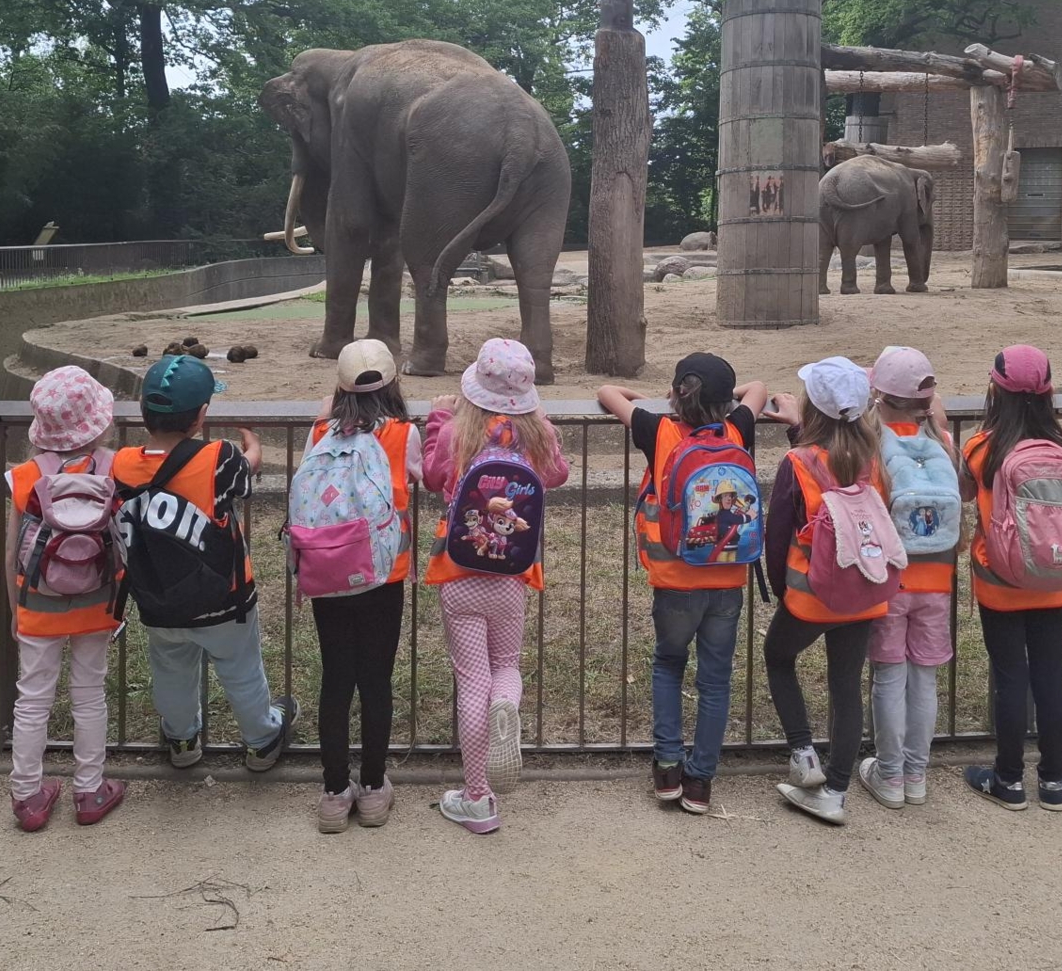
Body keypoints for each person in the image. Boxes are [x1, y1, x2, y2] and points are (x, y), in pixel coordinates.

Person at [597, 354, 768, 816]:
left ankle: (668, 768)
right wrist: (729, 400)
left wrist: (652, 402)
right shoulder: (737, 430)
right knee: (715, 680)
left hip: (674, 578)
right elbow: (758, 388)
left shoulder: (659, 431)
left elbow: (606, 394)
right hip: (729, 577)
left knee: (669, 664)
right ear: (722, 403)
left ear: (677, 393)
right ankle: (701, 783)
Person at [113, 354, 297, 773]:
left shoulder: (122, 464)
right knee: (242, 670)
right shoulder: (220, 457)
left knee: (171, 671)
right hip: (225, 599)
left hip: (158, 598)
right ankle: (262, 740)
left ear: (143, 414)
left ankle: (181, 741)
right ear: (201, 415)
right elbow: (246, 474)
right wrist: (253, 445)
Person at [423, 338, 571, 833]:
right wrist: (543, 425)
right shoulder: (535, 437)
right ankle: (506, 705)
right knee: (505, 667)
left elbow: (431, 475)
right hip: (512, 578)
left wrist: (436, 421)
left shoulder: (457, 434)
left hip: (460, 575)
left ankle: (477, 796)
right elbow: (558, 474)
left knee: (471, 679)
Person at [762, 357, 890, 827]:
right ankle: (835, 790)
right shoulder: (873, 459)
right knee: (845, 682)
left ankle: (803, 752)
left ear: (811, 406)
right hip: (866, 589)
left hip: (812, 593)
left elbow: (778, 535)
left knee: (778, 656)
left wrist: (782, 591)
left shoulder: (798, 462)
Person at [303, 340, 422, 833]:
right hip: (382, 574)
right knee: (375, 679)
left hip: (329, 571)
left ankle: (334, 794)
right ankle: (373, 789)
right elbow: (424, 478)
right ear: (393, 383)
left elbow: (325, 420)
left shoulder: (319, 432)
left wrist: (333, 406)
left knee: (336, 679)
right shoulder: (403, 434)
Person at [6, 366, 126, 831]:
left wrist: (16, 608)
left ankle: (28, 796)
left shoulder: (24, 476)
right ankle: (90, 789)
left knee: (33, 698)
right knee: (90, 694)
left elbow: (13, 551)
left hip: (38, 603)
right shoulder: (114, 467)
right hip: (98, 600)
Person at [961, 345, 1062, 812]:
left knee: (1011, 677)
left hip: (1000, 580)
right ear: (1049, 392)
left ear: (995, 390)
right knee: (1051, 674)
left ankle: (1008, 779)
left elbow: (967, 493)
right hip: (1054, 579)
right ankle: (1052, 779)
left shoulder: (980, 448)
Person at [856, 346, 958, 811]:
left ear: (878, 395)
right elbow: (930, 405)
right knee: (925, 679)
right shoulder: (943, 444)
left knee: (888, 677)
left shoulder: (871, 446)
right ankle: (917, 775)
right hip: (937, 579)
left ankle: (890, 774)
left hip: (891, 578)